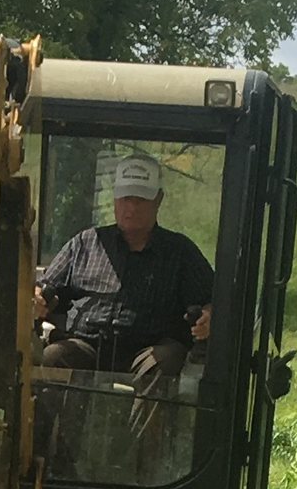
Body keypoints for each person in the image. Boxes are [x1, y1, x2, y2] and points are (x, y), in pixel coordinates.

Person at [35, 153, 213, 381]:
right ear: (115, 197)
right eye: (125, 198)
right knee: (54, 356)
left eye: (140, 200)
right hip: (87, 345)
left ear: (158, 199)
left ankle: (145, 406)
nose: (131, 208)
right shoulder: (84, 243)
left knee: (165, 361)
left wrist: (209, 316)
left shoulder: (180, 252)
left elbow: (212, 300)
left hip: (148, 351)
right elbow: (46, 288)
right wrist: (38, 298)